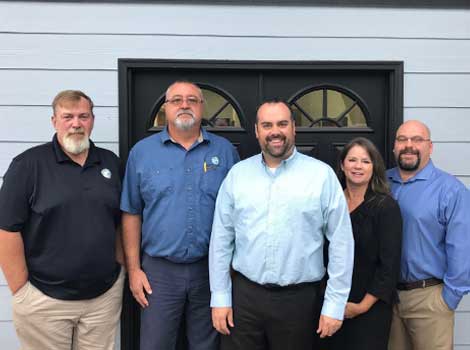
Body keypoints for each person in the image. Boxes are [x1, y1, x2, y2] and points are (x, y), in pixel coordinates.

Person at [209, 98, 354, 350]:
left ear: (293, 128)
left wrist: (335, 304)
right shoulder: (237, 176)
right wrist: (220, 297)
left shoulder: (321, 176)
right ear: (256, 131)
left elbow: (342, 243)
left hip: (299, 302)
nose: (275, 131)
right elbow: (221, 240)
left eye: (282, 123)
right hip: (245, 299)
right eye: (267, 125)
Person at [0, 90, 124, 350]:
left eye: (83, 116)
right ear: (54, 121)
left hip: (102, 300)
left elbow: (122, 222)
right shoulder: (28, 166)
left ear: (92, 120)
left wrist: (120, 271)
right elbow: (6, 229)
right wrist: (22, 291)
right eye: (68, 117)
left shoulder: (110, 163)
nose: (76, 124)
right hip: (44, 300)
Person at [121, 80, 239, 350]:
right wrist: (134, 269)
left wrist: (232, 267)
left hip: (211, 270)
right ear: (166, 108)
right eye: (176, 100)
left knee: (207, 345)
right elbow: (131, 212)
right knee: (156, 344)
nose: (184, 105)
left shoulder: (225, 152)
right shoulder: (142, 153)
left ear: (201, 107)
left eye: (192, 100)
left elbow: (238, 214)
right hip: (158, 274)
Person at [387, 120, 470, 350]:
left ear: (430, 147)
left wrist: (448, 299)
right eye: (402, 139)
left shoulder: (450, 190)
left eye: (417, 139)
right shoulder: (383, 183)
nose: (409, 145)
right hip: (388, 299)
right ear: (394, 146)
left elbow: (462, 248)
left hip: (429, 298)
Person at [326, 137, 402, 350]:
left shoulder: (386, 207)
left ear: (374, 167)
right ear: (342, 165)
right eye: (352, 160)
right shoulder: (331, 203)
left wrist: (361, 307)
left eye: (365, 161)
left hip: (369, 308)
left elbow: (389, 266)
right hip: (330, 305)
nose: (358, 166)